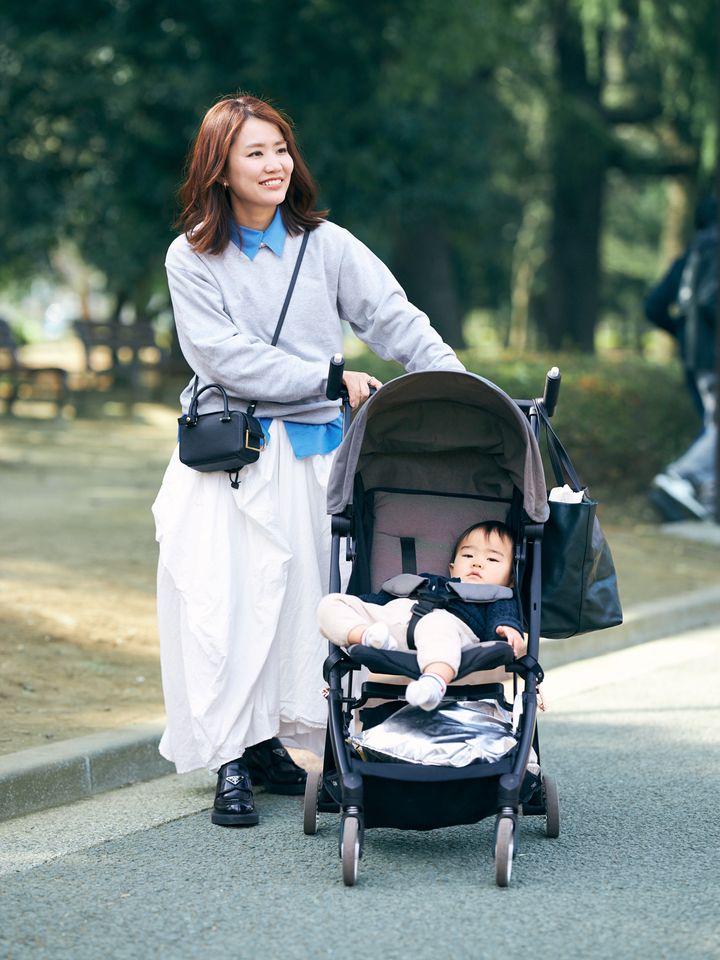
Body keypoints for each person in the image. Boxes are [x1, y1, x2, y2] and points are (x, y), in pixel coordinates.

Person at [152, 93, 465, 828]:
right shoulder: (191, 255)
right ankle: (231, 756)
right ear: (219, 167)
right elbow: (221, 357)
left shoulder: (328, 245)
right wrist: (327, 377)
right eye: (255, 153)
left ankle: (283, 746)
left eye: (282, 150)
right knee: (224, 607)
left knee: (306, 606)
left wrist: (457, 386)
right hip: (231, 458)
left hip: (315, 459)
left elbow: (394, 319)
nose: (275, 165)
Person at [317, 521, 526, 712]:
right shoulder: (426, 581)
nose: (477, 563)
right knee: (331, 603)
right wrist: (358, 610)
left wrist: (507, 628)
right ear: (452, 568)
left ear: (511, 580)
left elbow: (503, 618)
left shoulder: (498, 598)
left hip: (446, 630)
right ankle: (366, 636)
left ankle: (434, 681)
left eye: (492, 559)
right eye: (468, 556)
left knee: (436, 622)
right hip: (392, 623)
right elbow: (375, 602)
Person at [645, 196, 717, 522]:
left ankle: (709, 503)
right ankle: (681, 476)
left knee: (711, 427)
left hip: (693, 357)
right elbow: (711, 300)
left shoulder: (693, 252)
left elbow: (654, 305)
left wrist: (684, 335)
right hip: (713, 356)